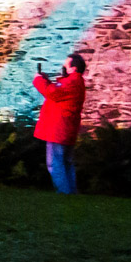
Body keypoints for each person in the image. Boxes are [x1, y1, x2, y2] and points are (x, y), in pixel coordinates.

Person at [33, 54, 88, 193]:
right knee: (66, 162)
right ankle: (70, 191)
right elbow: (58, 90)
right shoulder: (75, 82)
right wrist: (46, 80)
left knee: (55, 163)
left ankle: (64, 192)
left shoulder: (73, 82)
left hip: (58, 129)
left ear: (73, 68)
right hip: (65, 129)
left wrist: (39, 80)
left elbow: (54, 93)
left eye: (66, 65)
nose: (63, 67)